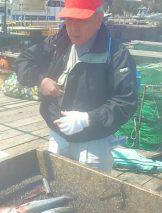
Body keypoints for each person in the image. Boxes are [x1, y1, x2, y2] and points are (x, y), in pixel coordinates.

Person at [14, 0, 138, 173]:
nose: (73, 28)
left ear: (99, 19)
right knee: (56, 186)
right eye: (69, 20)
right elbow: (23, 61)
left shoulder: (117, 54)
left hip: (94, 143)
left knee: (92, 195)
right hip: (58, 137)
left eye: (81, 21)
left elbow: (127, 101)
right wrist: (40, 80)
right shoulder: (57, 43)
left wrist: (88, 119)